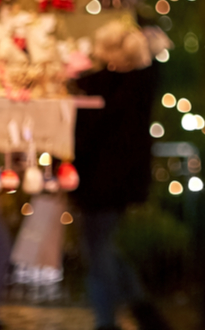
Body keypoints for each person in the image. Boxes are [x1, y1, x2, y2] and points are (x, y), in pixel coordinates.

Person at [73, 22, 168, 330]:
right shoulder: (143, 85)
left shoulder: (97, 85)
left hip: (98, 181)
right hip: (119, 181)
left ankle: (108, 320)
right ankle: (139, 307)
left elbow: (86, 134)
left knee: (98, 250)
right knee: (104, 246)